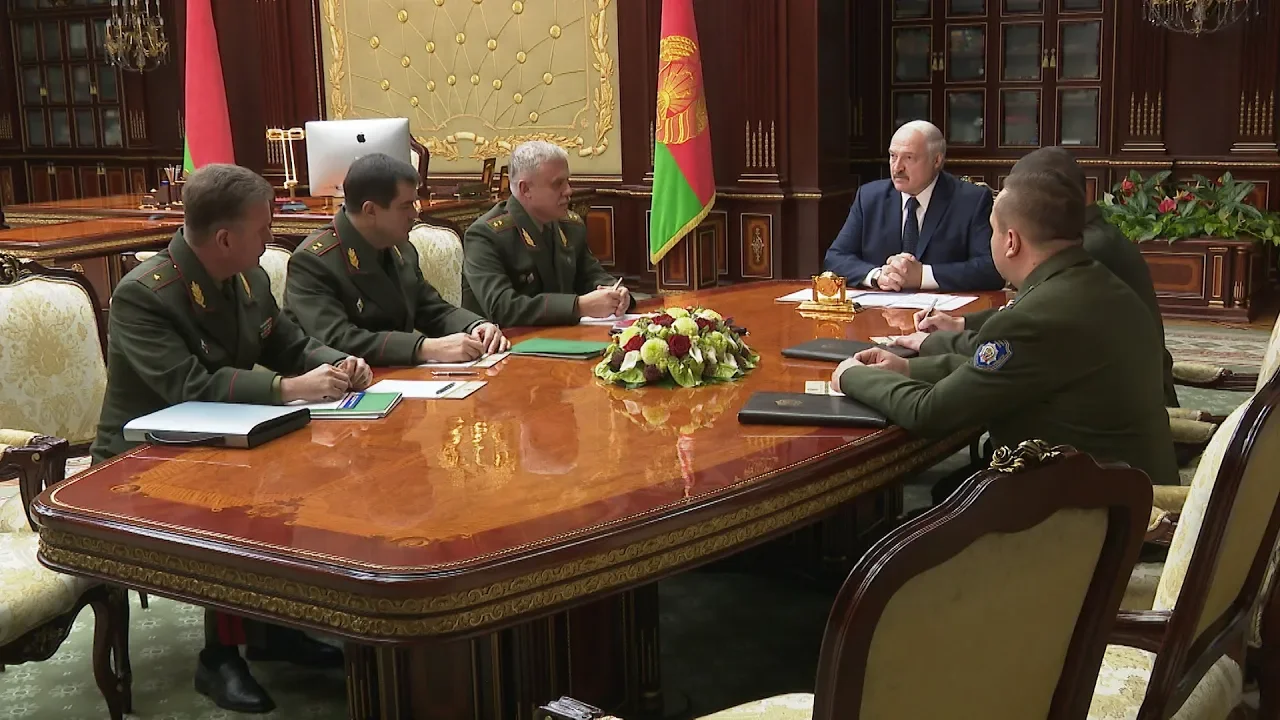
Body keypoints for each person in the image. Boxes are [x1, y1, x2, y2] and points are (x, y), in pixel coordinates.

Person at [89, 164, 373, 714]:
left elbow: (289, 343)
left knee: (314, 469)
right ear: (224, 238)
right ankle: (219, 658)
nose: (271, 236)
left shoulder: (249, 278)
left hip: (223, 434)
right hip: (142, 456)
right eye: (263, 228)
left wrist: (338, 362)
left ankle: (272, 628)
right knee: (243, 493)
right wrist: (288, 388)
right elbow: (188, 387)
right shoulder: (145, 295)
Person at [832, 168, 1178, 495]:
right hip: (1134, 483)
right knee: (950, 491)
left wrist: (851, 375)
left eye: (992, 232)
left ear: (1011, 241)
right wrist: (908, 368)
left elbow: (930, 412)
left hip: (1092, 506)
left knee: (916, 527)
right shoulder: (1100, 283)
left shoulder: (1034, 317)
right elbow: (1004, 369)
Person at [907, 146, 1178, 407]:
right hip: (1126, 391)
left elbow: (1019, 341)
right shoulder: (1095, 236)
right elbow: (1023, 318)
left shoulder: (1083, 251)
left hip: (1116, 403)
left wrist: (934, 346)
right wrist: (961, 324)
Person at [284, 153, 509, 364]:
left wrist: (475, 325)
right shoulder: (313, 262)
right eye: (406, 206)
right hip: (337, 383)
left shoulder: (400, 247)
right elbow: (337, 339)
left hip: (396, 376)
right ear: (370, 210)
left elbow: (431, 309)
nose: (415, 214)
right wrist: (424, 348)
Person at [461, 140, 633, 326]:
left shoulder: (571, 225)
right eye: (557, 184)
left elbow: (591, 275)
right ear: (525, 189)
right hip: (505, 340)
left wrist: (616, 293)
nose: (568, 191)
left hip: (563, 335)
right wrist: (578, 306)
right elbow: (503, 308)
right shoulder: (485, 235)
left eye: (567, 181)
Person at [823, 120, 1004, 292]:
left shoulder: (971, 200)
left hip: (944, 310)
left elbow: (991, 269)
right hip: (881, 308)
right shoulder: (869, 197)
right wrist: (877, 276)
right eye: (893, 156)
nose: (897, 168)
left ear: (936, 160)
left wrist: (922, 276)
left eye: (909, 158)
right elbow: (835, 258)